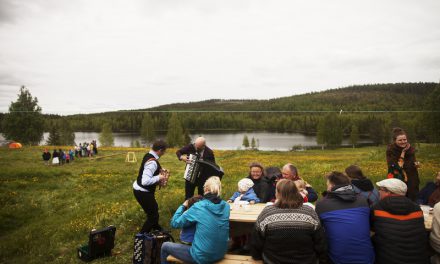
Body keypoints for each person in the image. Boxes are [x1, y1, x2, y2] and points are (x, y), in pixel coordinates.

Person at [251, 179, 327, 263]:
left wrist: (257, 257)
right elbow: (320, 241)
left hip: (272, 261)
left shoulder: (267, 212)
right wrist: (322, 259)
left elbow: (256, 240)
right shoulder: (309, 212)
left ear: (278, 193)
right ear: (296, 192)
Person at [161, 176, 230, 264]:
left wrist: (183, 206)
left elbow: (174, 223)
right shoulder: (226, 206)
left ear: (206, 189)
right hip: (221, 253)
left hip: (202, 257)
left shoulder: (199, 206)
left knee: (165, 246)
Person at [315, 171, 374, 264]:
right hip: (368, 258)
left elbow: (318, 233)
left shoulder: (322, 204)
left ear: (331, 186)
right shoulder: (362, 200)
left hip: (337, 259)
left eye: (327, 184)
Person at [371, 178, 428, 264]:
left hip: (386, 259)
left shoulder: (377, 208)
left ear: (388, 192)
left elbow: (371, 228)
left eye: (380, 189)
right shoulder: (416, 208)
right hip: (418, 258)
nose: (378, 192)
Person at [133, 140, 168, 233]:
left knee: (153, 210)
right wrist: (159, 177)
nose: (164, 154)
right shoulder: (152, 162)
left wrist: (159, 170)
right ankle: (141, 237)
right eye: (164, 151)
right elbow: (145, 181)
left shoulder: (149, 155)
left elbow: (149, 170)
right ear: (160, 150)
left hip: (139, 189)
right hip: (142, 191)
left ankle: (156, 228)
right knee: (153, 215)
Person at [386, 127, 420, 201]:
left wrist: (416, 164)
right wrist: (403, 152)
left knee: (412, 198)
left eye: (404, 139)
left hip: (412, 177)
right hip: (398, 177)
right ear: (395, 141)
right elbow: (397, 167)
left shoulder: (410, 149)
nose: (403, 142)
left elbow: (413, 162)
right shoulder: (391, 150)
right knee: (399, 198)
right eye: (400, 140)